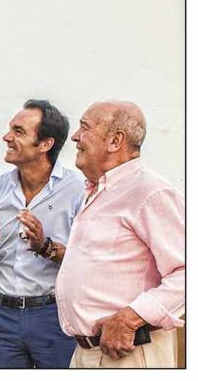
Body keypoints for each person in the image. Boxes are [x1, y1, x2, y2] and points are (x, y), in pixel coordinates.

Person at [56, 101, 185, 368]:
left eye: (85, 127)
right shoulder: (96, 190)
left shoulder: (150, 191)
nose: (75, 137)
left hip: (130, 355)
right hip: (87, 353)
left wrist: (130, 318)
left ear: (115, 141)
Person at [0, 99, 85, 368]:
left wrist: (44, 245)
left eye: (19, 131)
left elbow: (86, 264)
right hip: (2, 317)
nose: (6, 137)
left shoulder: (77, 189)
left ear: (45, 144)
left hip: (54, 317)